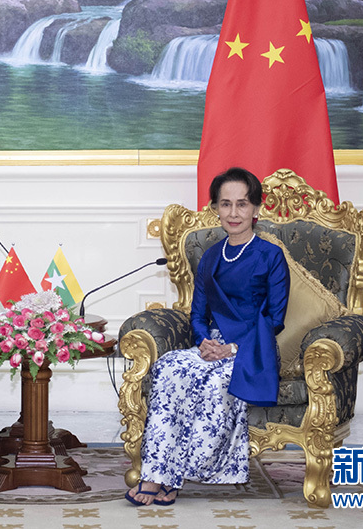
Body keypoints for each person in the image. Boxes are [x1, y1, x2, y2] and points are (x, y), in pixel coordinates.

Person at [125, 167, 289, 506]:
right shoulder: (211, 256)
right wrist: (203, 342)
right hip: (211, 344)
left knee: (215, 382)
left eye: (242, 204)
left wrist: (232, 348)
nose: (233, 213)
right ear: (216, 208)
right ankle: (158, 475)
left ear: (256, 209)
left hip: (253, 348)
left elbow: (275, 319)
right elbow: (197, 314)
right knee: (168, 367)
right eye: (225, 204)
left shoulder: (271, 256)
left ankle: (173, 475)